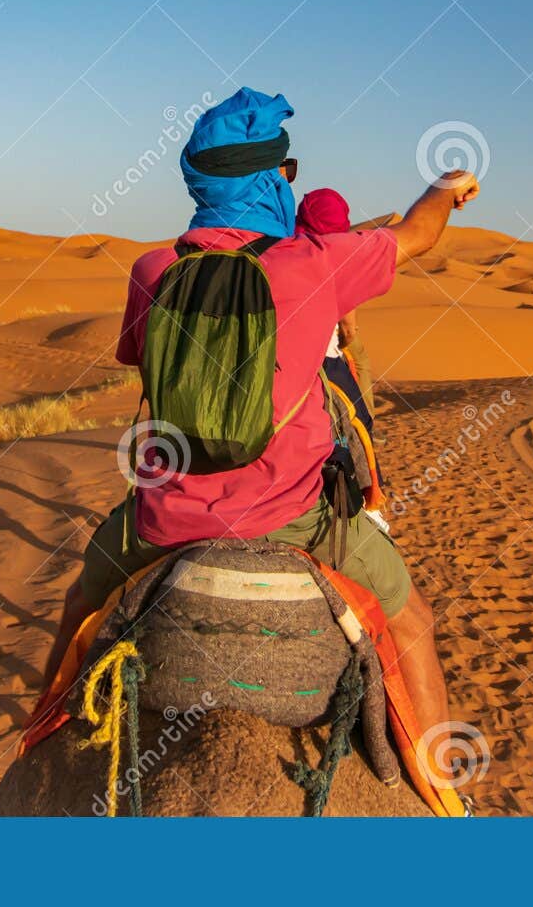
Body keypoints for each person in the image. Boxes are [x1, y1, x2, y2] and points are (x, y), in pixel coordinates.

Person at [41, 86, 479, 765]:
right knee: (413, 623)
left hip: (161, 520)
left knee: (79, 604)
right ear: (271, 177)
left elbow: (141, 364)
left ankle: (36, 742)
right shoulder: (314, 263)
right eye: (286, 170)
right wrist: (445, 185)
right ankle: (444, 789)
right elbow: (418, 234)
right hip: (297, 520)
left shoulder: (153, 271)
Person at [296, 188, 375, 411]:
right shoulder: (340, 263)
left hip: (285, 350)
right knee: (360, 361)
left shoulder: (283, 251)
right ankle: (367, 423)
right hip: (325, 354)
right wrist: (343, 344)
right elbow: (349, 328)